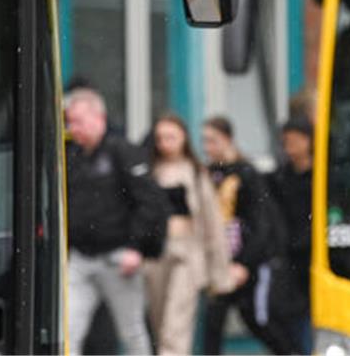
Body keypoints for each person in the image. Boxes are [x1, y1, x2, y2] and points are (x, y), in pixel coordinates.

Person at [65, 85, 169, 355]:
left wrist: (136, 247)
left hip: (117, 257)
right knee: (69, 328)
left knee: (131, 330)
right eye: (70, 121)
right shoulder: (73, 156)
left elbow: (150, 203)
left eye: (78, 121)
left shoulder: (122, 151)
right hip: (80, 258)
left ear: (99, 118)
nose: (73, 128)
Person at [198, 116, 296, 355]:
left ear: (228, 139)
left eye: (213, 140)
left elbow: (261, 223)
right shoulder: (208, 174)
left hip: (249, 262)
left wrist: (244, 264)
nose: (208, 147)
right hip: (221, 261)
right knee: (213, 322)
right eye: (204, 141)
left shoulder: (247, 174)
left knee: (259, 319)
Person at [142, 114, 231, 355]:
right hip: (156, 255)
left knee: (175, 325)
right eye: (161, 138)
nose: (165, 143)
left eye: (171, 136)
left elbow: (212, 223)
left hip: (187, 253)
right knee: (159, 323)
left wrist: (220, 271)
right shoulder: (149, 171)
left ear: (183, 138)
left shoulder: (195, 172)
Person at [271, 117, 315, 353]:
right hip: (291, 255)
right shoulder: (281, 177)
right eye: (286, 142)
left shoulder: (322, 176)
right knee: (288, 311)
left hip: (316, 253)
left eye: (295, 141)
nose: (290, 148)